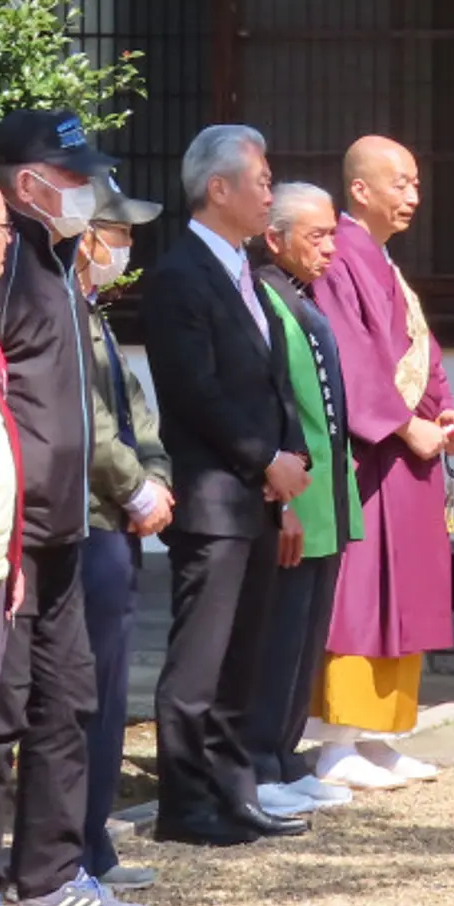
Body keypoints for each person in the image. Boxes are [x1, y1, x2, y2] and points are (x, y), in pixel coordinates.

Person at [0, 110, 134, 906]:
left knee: (70, 698)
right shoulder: (3, 259)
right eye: (70, 177)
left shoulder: (58, 261)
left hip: (69, 526)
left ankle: (53, 872)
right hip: (10, 530)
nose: (84, 192)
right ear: (28, 183)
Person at [148, 123, 311, 845]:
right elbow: (195, 392)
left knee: (245, 657)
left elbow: (276, 384)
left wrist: (291, 462)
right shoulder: (180, 275)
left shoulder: (247, 275)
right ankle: (185, 803)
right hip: (215, 493)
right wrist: (261, 459)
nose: (270, 192)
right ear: (218, 189)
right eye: (261, 180)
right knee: (200, 661)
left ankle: (234, 788)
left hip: (261, 494)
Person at [311, 137, 454, 791]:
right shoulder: (339, 257)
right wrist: (408, 427)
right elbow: (348, 357)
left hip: (406, 455)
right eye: (400, 183)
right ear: (360, 190)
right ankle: (336, 741)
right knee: (362, 590)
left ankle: (380, 736)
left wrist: (444, 419)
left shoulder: (382, 262)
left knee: (403, 592)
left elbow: (419, 352)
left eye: (415, 183)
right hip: (371, 455)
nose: (413, 196)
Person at [252, 183, 361, 816]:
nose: (329, 247)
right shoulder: (265, 298)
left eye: (331, 234)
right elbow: (273, 402)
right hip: (294, 493)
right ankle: (261, 759)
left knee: (305, 634)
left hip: (325, 493)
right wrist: (280, 499)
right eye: (316, 235)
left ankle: (287, 755)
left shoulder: (300, 296)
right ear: (276, 237)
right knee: (280, 635)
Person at [79, 211, 174, 896]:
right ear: (86, 237)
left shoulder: (95, 314)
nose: (125, 247)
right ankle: (71, 847)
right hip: (88, 519)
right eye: (117, 231)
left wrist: (156, 479)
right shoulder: (57, 309)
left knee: (111, 693)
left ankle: (93, 840)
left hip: (120, 520)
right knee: (81, 695)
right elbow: (87, 422)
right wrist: (133, 487)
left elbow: (136, 413)